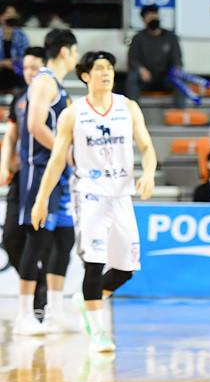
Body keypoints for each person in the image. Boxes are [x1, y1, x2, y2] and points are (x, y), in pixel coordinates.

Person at [31, 50, 157, 353]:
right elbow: (57, 160)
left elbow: (146, 146)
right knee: (94, 262)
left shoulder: (128, 107)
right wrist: (41, 199)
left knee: (126, 268)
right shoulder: (73, 114)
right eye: (100, 68)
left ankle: (89, 298)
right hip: (89, 195)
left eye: (110, 67)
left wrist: (149, 173)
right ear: (86, 76)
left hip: (122, 194)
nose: (106, 72)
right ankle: (98, 332)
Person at [13, 29, 78, 336]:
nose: (76, 57)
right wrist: (66, 153)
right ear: (65, 51)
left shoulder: (57, 84)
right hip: (40, 171)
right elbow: (35, 126)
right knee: (36, 240)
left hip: (59, 173)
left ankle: (55, 312)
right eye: (75, 51)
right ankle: (23, 315)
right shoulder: (44, 81)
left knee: (64, 239)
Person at [0, 46, 47, 316]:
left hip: (45, 177)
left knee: (38, 240)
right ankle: (40, 286)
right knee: (10, 239)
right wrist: (4, 164)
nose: (30, 73)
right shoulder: (19, 98)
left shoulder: (54, 98)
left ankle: (38, 303)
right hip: (20, 178)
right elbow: (10, 136)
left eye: (35, 68)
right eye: (26, 68)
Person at [126, 5, 185, 108]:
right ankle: (133, 112)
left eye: (155, 16)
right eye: (149, 17)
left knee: (179, 77)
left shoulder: (171, 37)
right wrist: (141, 70)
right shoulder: (138, 38)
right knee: (132, 77)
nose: (153, 19)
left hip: (166, 78)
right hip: (146, 78)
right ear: (144, 20)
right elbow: (132, 59)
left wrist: (175, 69)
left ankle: (181, 112)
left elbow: (177, 59)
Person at [0, 5, 29, 91]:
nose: (12, 16)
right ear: (1, 17)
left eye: (14, 13)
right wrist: (4, 63)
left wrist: (12, 63)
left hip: (15, 71)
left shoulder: (21, 36)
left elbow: (24, 58)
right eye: (9, 13)